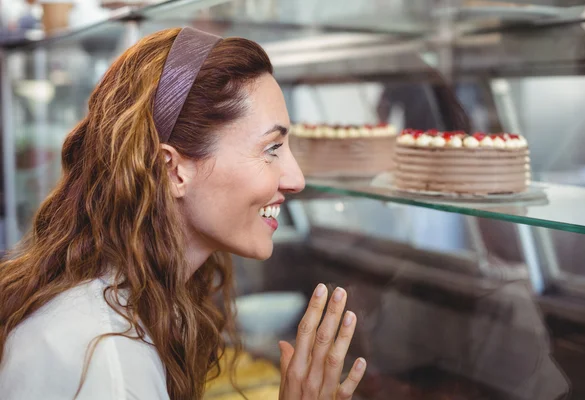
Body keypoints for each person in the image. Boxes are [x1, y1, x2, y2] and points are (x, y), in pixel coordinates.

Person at [0, 27, 366, 399]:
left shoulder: (130, 306)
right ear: (172, 170)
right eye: (271, 148)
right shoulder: (109, 362)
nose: (296, 179)